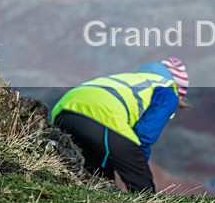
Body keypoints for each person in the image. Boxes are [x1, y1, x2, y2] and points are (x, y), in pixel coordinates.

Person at [51, 57, 189, 193]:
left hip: (63, 109)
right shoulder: (168, 92)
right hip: (100, 115)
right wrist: (138, 165)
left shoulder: (134, 79)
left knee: (97, 177)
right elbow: (144, 135)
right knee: (143, 189)